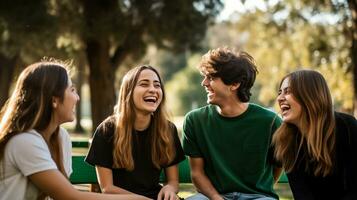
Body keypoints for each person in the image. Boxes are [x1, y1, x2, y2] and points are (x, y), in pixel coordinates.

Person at [0, 60, 148, 200]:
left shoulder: (60, 137)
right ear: (54, 100)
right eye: (72, 90)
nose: (77, 98)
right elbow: (70, 197)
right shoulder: (24, 141)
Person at [182, 47, 282, 200]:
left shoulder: (271, 122)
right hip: (212, 197)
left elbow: (278, 166)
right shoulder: (194, 121)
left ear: (234, 84)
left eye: (211, 78)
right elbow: (197, 173)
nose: (204, 83)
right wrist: (217, 198)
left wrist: (259, 192)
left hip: (257, 197)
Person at [85, 65, 185, 200]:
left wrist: (169, 188)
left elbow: (173, 182)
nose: (152, 89)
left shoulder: (167, 130)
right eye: (144, 84)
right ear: (128, 92)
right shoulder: (107, 130)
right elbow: (107, 188)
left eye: (157, 85)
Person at [272, 69, 357, 200]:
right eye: (280, 92)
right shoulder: (287, 141)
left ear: (309, 95)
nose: (280, 98)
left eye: (287, 91)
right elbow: (302, 194)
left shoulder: (347, 126)